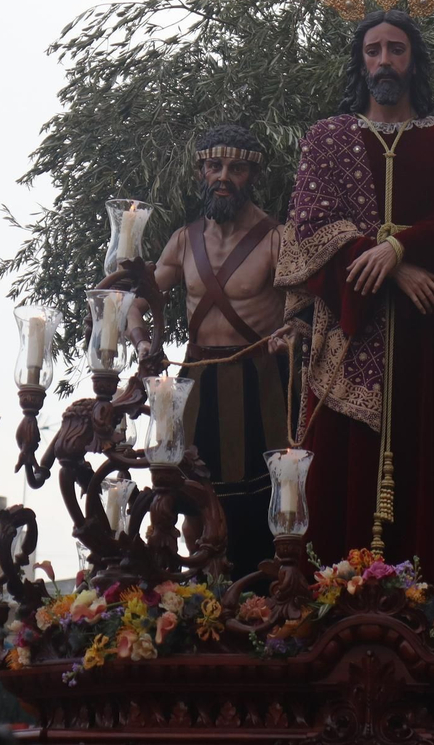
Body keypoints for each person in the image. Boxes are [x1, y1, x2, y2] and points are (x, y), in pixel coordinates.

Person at [276, 8, 434, 576]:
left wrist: (398, 247)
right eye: (374, 50)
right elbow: (309, 230)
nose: (384, 60)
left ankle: (430, 588)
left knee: (428, 456)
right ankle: (331, 590)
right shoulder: (327, 140)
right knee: (342, 466)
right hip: (348, 332)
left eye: (396, 49)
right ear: (360, 62)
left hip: (425, 335)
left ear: (413, 59)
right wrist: (397, 267)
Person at [132, 123, 290, 576]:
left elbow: (307, 310)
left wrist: (293, 331)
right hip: (197, 380)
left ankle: (264, 592)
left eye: (236, 168)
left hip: (261, 385)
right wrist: (144, 343)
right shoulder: (184, 240)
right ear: (201, 172)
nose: (224, 176)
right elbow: (134, 305)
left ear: (251, 176)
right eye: (214, 166)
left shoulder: (277, 239)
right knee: (192, 497)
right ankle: (203, 587)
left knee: (268, 496)